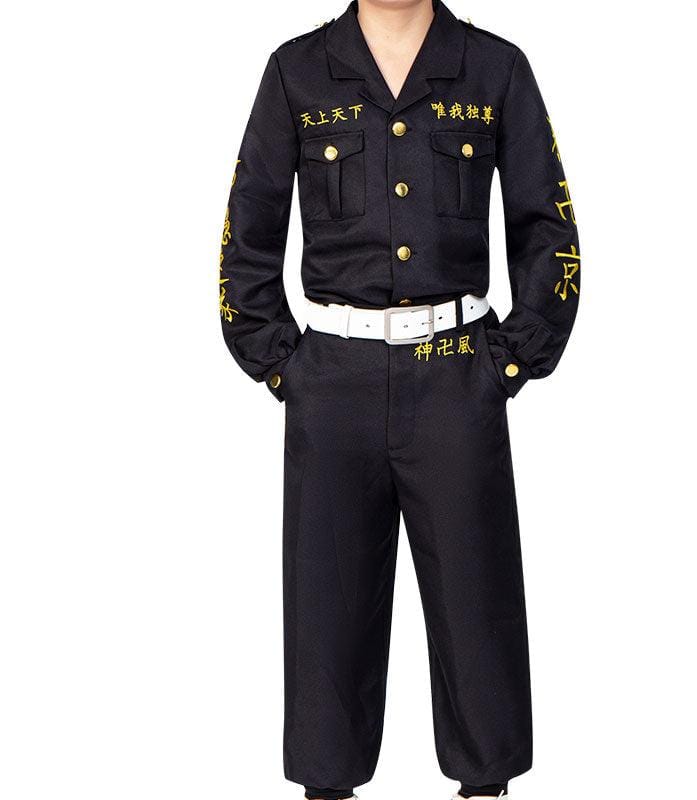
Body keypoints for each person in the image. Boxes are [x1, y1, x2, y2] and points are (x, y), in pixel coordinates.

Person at [218, 1, 580, 798]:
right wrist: (282, 365)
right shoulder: (296, 72)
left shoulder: (495, 68)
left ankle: (486, 786)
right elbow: (247, 236)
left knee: (478, 614)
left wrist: (509, 361)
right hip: (331, 386)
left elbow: (547, 228)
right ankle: (327, 786)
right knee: (327, 621)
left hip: (458, 377)